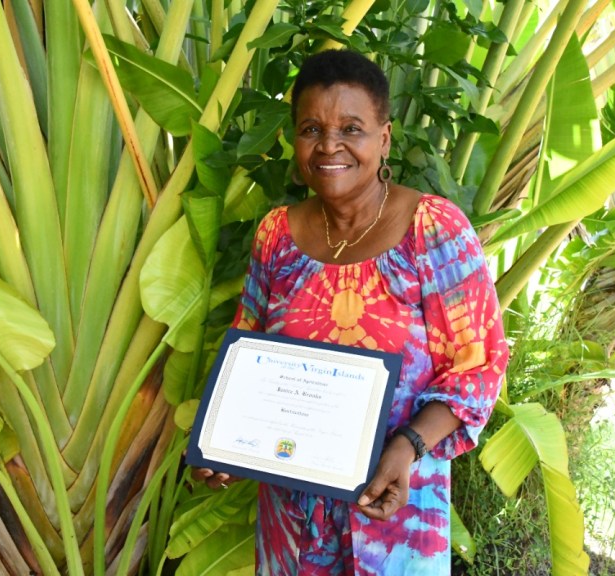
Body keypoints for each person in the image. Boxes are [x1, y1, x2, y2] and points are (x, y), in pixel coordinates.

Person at [192, 49, 509, 575]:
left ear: (384, 138)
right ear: (293, 138)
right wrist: (225, 445)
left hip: (393, 510)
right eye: (311, 128)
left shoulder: (433, 230)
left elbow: (478, 365)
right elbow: (248, 342)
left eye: (351, 128)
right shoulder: (277, 235)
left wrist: (407, 446)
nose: (329, 145)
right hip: (291, 517)